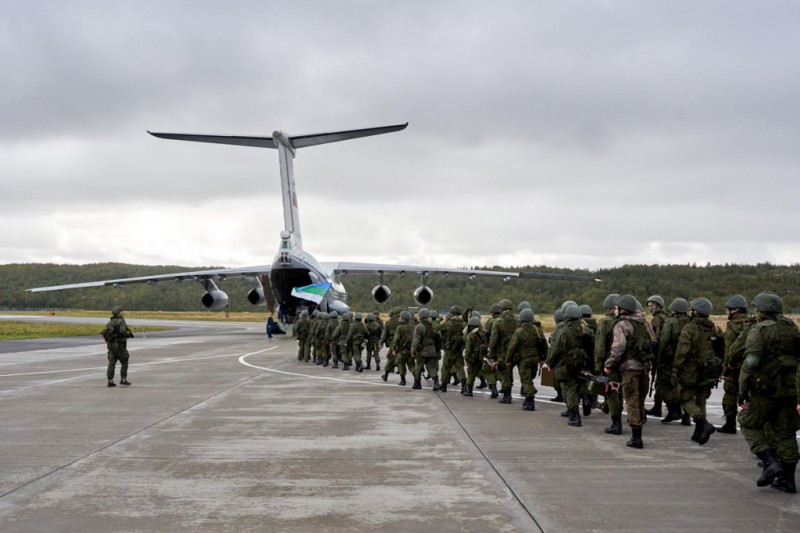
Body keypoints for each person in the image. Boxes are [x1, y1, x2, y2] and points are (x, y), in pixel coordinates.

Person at [738, 292, 799, 493]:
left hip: (766, 389)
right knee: (786, 432)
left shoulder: (760, 329)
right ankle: (788, 480)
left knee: (748, 422)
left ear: (762, 311)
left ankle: (770, 462)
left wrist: (742, 389)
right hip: (789, 388)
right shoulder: (791, 327)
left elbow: (751, 362)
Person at [603, 294, 653, 448]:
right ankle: (638, 429)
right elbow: (654, 342)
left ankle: (636, 438)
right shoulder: (644, 323)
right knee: (639, 400)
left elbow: (618, 349)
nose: (614, 310)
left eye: (616, 308)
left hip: (629, 369)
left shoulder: (622, 325)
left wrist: (608, 365)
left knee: (631, 401)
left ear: (623, 310)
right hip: (644, 367)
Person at [674, 297, 723, 446]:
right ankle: (698, 432)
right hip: (709, 371)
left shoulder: (690, 328)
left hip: (691, 371)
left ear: (696, 312)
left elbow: (682, 351)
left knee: (686, 398)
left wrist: (676, 367)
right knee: (701, 399)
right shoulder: (715, 328)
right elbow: (720, 349)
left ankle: (703, 424)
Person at [548, 304, 593, 426]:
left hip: (567, 365)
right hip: (583, 364)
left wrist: (550, 362)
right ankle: (587, 399)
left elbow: (556, 349)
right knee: (582, 384)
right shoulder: (586, 330)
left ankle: (574, 416)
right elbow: (592, 347)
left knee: (570, 388)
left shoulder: (563, 331)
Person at [717, 294, 751, 434]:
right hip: (749, 367)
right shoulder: (751, 324)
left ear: (735, 310)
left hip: (734, 368)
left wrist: (726, 367)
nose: (726, 313)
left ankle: (730, 424)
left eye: (728, 310)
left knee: (730, 394)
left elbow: (730, 349)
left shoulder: (733, 326)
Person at [657, 298, 692, 424]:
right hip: (687, 359)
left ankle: (674, 411)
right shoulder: (690, 321)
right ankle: (686, 416)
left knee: (667, 384)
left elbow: (664, 340)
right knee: (685, 385)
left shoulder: (671, 322)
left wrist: (659, 357)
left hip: (670, 359)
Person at [506, 308, 548, 411]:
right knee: (530, 378)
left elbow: (512, 347)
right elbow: (545, 346)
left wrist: (509, 359)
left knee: (526, 380)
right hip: (535, 359)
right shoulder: (538, 330)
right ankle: (530, 391)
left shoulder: (519, 331)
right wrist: (543, 358)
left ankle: (529, 400)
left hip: (524, 359)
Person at [489, 299, 519, 405]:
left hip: (502, 352)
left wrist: (491, 352)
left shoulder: (498, 321)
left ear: (501, 309)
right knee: (509, 371)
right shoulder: (517, 320)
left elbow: (493, 339)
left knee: (504, 373)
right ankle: (508, 393)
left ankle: (507, 396)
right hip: (515, 352)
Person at [645, 295, 668, 417]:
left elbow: (656, 339)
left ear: (659, 306)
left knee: (659, 382)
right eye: (649, 306)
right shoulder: (665, 317)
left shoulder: (658, 319)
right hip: (665, 353)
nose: (650, 308)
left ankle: (658, 407)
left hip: (660, 353)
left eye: (652, 306)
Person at [436, 305, 466, 393]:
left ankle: (444, 386)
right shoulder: (463, 324)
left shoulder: (448, 323)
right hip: (459, 349)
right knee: (460, 368)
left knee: (446, 367)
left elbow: (437, 328)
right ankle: (464, 386)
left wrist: (438, 321)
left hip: (449, 349)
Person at [102, 306, 134, 387]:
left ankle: (110, 380)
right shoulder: (121, 321)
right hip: (119, 345)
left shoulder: (110, 322)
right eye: (121, 311)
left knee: (111, 363)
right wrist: (128, 333)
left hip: (111, 345)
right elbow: (123, 331)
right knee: (124, 361)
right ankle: (123, 379)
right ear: (118, 313)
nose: (123, 312)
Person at [411, 308, 442, 390]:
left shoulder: (419, 326)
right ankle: (436, 382)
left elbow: (416, 340)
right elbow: (439, 338)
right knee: (431, 367)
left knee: (418, 366)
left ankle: (417, 384)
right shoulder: (433, 326)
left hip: (422, 351)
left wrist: (413, 351)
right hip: (432, 350)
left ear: (420, 316)